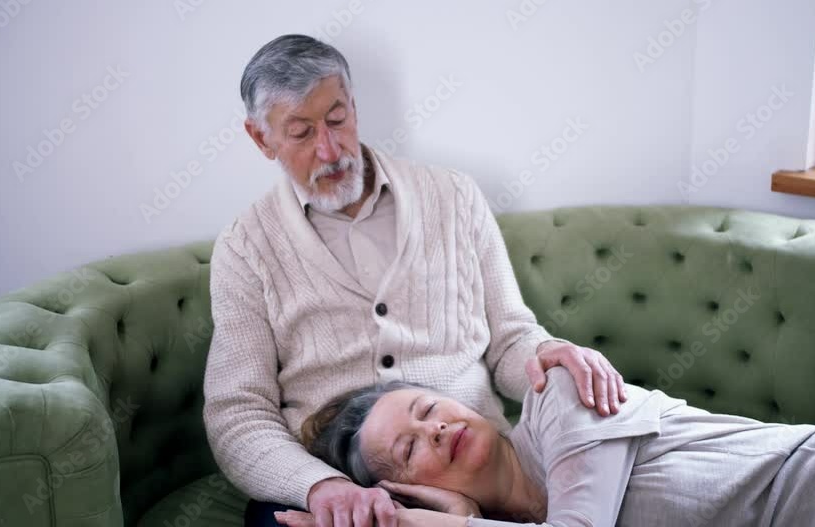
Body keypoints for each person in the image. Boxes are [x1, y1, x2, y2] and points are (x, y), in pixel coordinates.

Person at [203, 34, 629, 527]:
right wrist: (319, 486)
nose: (329, 148)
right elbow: (238, 412)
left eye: (337, 119)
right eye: (301, 133)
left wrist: (549, 353)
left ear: (353, 105)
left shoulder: (453, 196)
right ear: (261, 138)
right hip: (334, 482)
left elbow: (512, 339)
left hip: (472, 464)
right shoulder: (244, 248)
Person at [273, 369, 815, 526]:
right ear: (405, 488)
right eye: (408, 448)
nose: (435, 429)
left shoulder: (559, 395)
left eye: (429, 409)